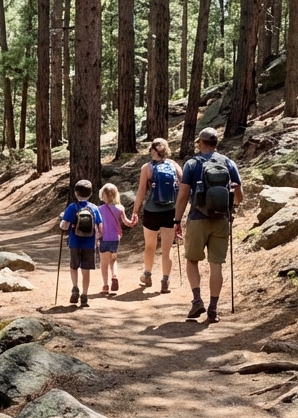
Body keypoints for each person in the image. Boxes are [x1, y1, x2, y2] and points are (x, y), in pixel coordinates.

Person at [174, 127, 243, 323]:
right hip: (221, 220)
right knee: (216, 265)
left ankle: (197, 300)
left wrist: (177, 221)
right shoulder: (229, 163)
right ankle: (213, 308)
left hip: (197, 218)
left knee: (192, 260)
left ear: (201, 143)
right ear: (216, 144)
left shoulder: (192, 164)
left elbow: (183, 195)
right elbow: (239, 198)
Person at [129, 138, 182, 294]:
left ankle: (147, 274)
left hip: (152, 211)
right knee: (167, 249)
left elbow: (141, 192)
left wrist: (135, 211)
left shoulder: (147, 168)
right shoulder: (174, 165)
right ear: (166, 150)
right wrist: (180, 211)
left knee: (150, 246)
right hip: (170, 211)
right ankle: (165, 280)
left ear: (152, 150)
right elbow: (183, 188)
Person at [57, 178, 102, 307]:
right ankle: (85, 295)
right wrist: (97, 238)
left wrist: (62, 220)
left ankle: (75, 288)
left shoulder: (72, 207)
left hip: (74, 241)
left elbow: (64, 226)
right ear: (91, 193)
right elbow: (100, 227)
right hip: (89, 243)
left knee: (74, 266)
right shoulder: (94, 208)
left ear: (76, 193)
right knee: (86, 269)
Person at [96, 183, 137, 294]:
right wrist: (133, 221)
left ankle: (105, 286)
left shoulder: (99, 209)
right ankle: (114, 276)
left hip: (104, 238)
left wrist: (96, 238)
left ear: (103, 195)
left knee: (103, 263)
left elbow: (97, 225)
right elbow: (127, 222)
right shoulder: (120, 208)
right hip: (115, 239)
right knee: (113, 261)